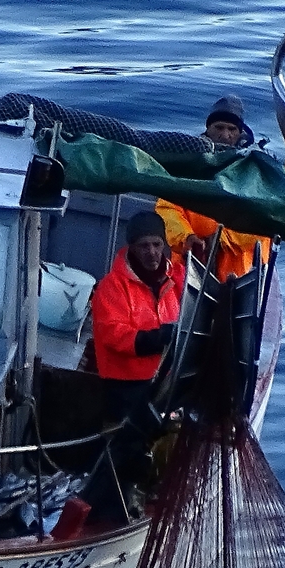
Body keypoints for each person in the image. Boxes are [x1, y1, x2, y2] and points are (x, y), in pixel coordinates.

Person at [85, 211, 182, 520]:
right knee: (125, 453)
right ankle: (117, 508)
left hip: (163, 383)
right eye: (144, 246)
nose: (152, 253)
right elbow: (116, 336)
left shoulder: (174, 280)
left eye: (156, 245)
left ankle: (157, 494)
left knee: (173, 436)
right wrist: (160, 338)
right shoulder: (110, 289)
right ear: (131, 248)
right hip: (124, 388)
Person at [158, 94, 272, 281]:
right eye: (219, 127)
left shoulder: (256, 170)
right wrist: (186, 238)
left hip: (242, 275)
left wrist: (221, 240)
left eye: (231, 129)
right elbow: (167, 208)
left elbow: (263, 220)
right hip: (189, 268)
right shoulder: (189, 164)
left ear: (240, 133)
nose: (225, 135)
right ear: (208, 129)